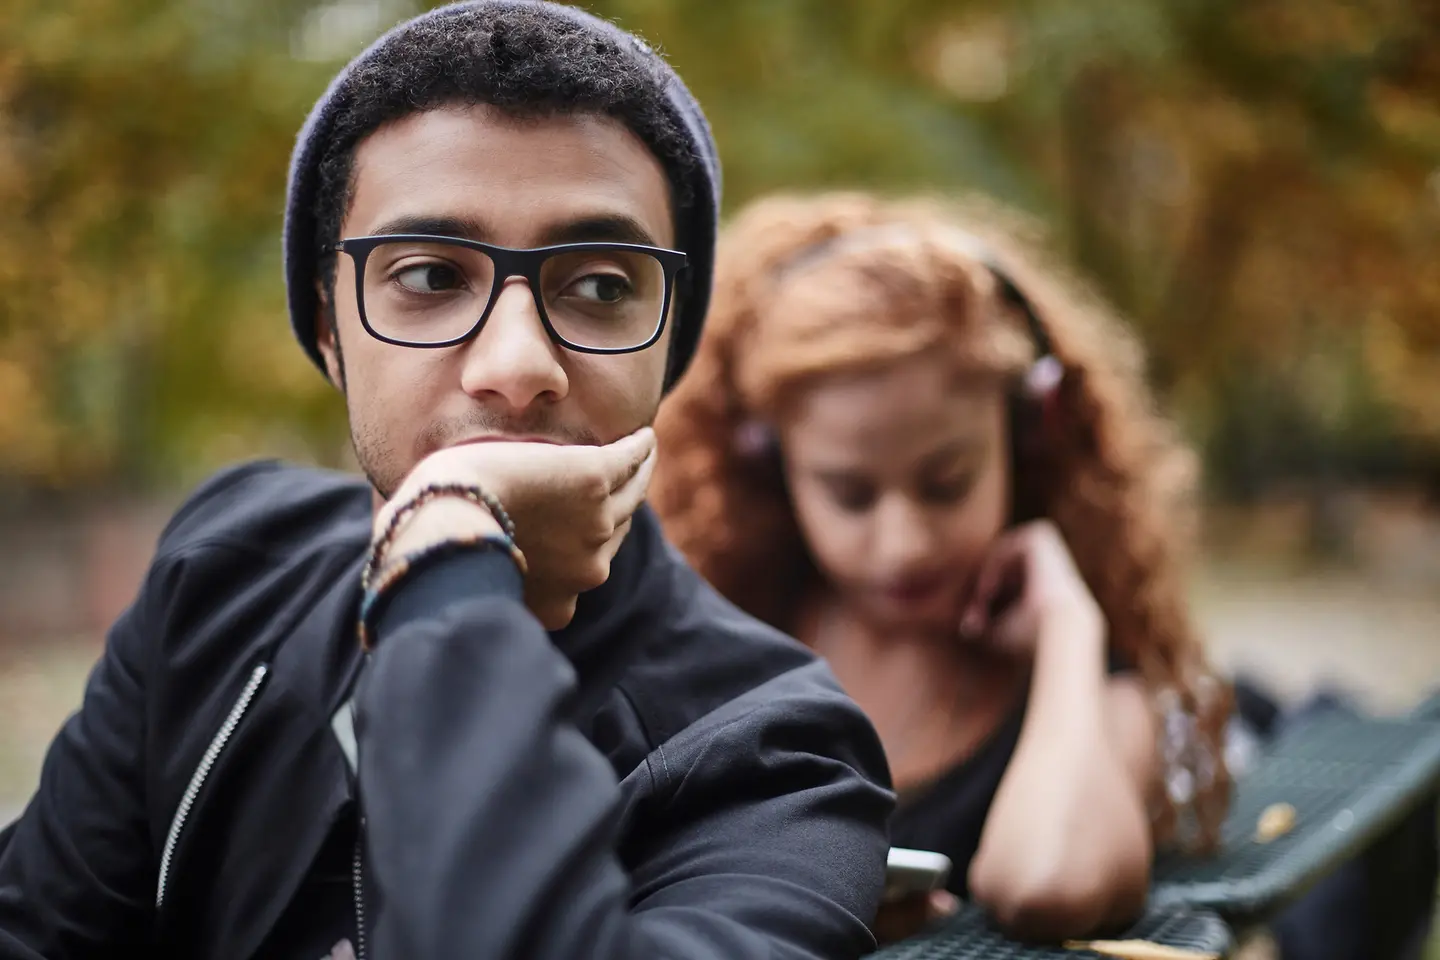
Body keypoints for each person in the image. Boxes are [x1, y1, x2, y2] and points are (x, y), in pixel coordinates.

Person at [0, 7, 895, 959]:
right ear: (329, 329)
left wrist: (447, 541)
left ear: (669, 345)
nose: (516, 364)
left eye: (599, 286)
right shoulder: (223, 574)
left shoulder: (779, 757)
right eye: (429, 275)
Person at [651, 192, 1235, 941]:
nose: (904, 544)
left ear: (1026, 435)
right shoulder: (729, 629)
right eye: (850, 495)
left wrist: (1067, 626)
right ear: (770, 464)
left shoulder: (1095, 686)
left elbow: (1055, 883)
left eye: (947, 482)